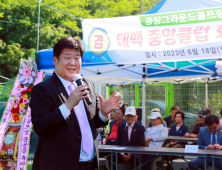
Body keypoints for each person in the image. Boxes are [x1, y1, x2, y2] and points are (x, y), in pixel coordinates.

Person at [30, 37, 122, 170]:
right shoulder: (43, 89)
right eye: (67, 57)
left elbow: (92, 123)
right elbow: (40, 126)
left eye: (77, 58)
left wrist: (102, 113)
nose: (73, 63)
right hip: (59, 165)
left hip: (90, 163)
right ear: (55, 60)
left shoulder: (88, 84)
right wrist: (68, 105)